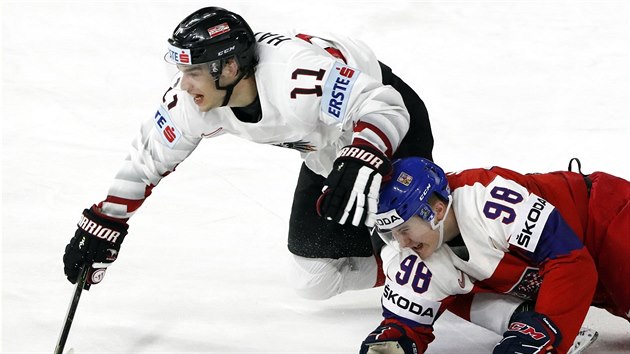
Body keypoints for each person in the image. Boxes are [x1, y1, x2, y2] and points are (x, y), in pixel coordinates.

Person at [62, 7, 434, 300]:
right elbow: (148, 159)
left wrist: (363, 155)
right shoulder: (192, 102)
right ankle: (412, 272)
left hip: (384, 126)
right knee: (313, 279)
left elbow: (385, 105)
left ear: (230, 66)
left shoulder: (296, 77)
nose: (184, 84)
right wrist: (106, 222)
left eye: (193, 72)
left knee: (416, 238)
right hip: (326, 149)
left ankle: (446, 252)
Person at [360, 157, 629, 354]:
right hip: (587, 281)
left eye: (404, 229)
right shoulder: (416, 249)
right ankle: (524, 316)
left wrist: (543, 330)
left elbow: (572, 263)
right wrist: (392, 343)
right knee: (455, 292)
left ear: (437, 211)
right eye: (391, 233)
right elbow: (405, 324)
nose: (402, 243)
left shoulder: (488, 199)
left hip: (608, 218)